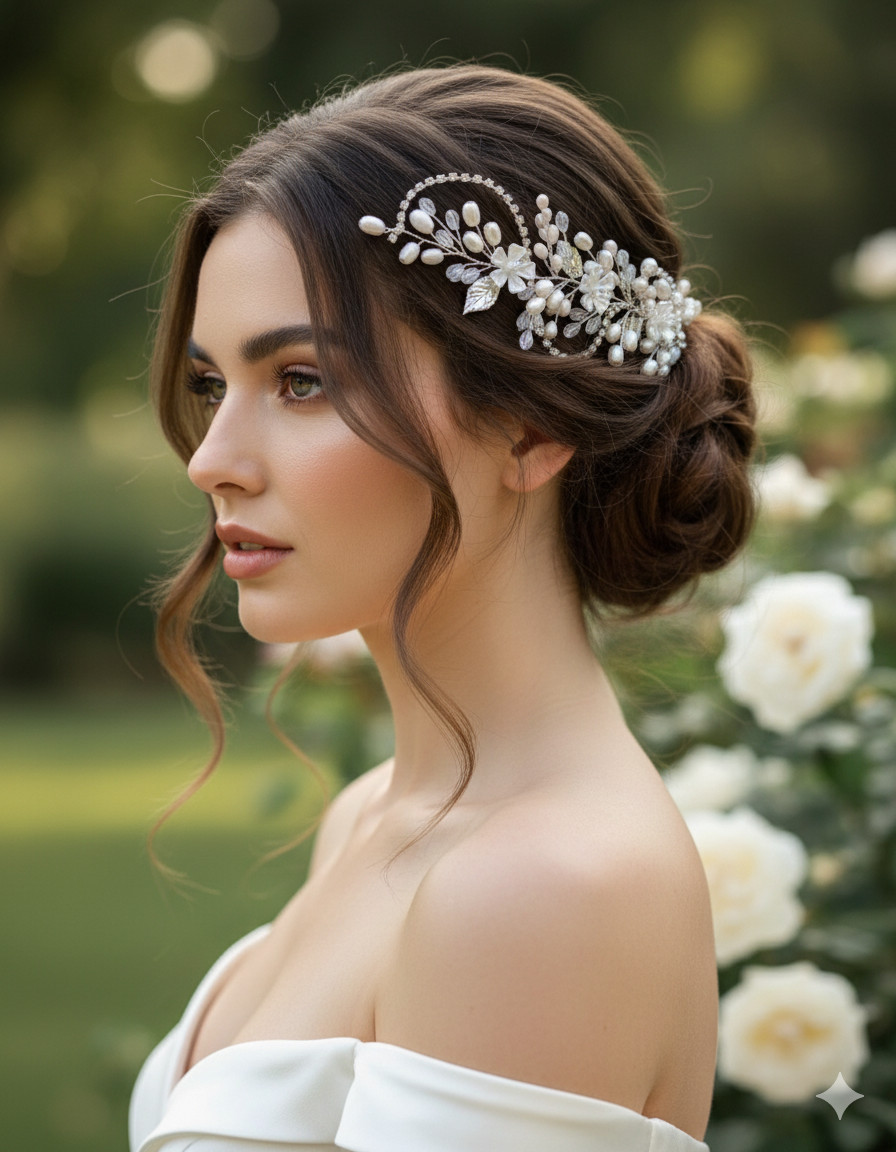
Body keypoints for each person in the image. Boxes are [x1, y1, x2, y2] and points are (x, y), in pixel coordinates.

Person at [129, 63, 756, 1152]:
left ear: (527, 427)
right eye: (209, 386)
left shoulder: (544, 890)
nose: (214, 462)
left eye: (301, 382)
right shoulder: (373, 816)